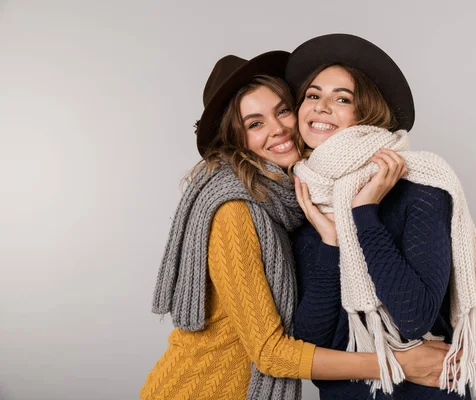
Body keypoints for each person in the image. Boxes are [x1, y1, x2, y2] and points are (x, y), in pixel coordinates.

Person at [141, 51, 458, 400]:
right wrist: (397, 364)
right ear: (236, 139)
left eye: (282, 111)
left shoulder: (299, 202)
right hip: (202, 389)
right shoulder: (235, 210)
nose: (278, 129)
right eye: (255, 123)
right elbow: (270, 352)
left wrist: (337, 234)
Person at [287, 34, 476, 399]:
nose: (321, 106)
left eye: (342, 98)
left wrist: (364, 214)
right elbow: (309, 343)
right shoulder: (308, 195)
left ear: (367, 112)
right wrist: (330, 241)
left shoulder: (421, 188)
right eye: (313, 95)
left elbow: (414, 316)